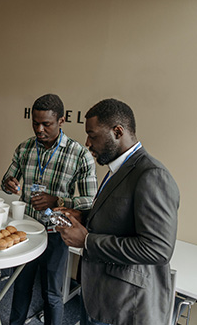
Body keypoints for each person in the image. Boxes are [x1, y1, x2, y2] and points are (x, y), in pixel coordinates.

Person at [56, 99, 179, 325]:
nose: (87, 143)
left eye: (92, 136)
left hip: (123, 305)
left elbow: (158, 249)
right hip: (98, 294)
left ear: (117, 131)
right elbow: (118, 214)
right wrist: (83, 216)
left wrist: (87, 241)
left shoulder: (152, 175)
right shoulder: (117, 167)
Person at [1, 94, 97, 325]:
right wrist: (9, 183)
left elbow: (90, 202)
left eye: (47, 124)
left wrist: (58, 201)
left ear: (61, 121)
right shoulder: (24, 148)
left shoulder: (80, 155)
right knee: (21, 286)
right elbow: (7, 179)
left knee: (52, 293)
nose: (40, 129)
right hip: (26, 231)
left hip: (57, 234)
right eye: (35, 123)